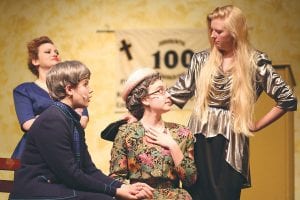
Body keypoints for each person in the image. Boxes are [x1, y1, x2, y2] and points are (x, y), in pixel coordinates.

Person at [167, 5, 298, 200]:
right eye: (211, 29)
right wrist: (139, 112)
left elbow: (287, 99)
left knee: (225, 194)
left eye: (219, 31)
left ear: (235, 32)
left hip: (232, 140)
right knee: (196, 193)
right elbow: (176, 91)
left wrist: (256, 125)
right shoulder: (201, 60)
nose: (212, 35)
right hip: (198, 137)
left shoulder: (255, 62)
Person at [9, 60, 154, 200]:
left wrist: (123, 187)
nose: (90, 90)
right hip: (36, 191)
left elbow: (89, 170)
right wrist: (115, 192)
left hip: (55, 186)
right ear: (69, 89)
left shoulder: (71, 120)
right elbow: (71, 175)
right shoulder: (52, 120)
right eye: (85, 84)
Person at [109, 68, 197, 200]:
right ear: (145, 99)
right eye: (160, 91)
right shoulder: (126, 133)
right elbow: (116, 178)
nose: (168, 95)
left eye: (166, 90)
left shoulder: (182, 133)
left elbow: (190, 180)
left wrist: (172, 146)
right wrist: (134, 191)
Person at [11, 36, 89, 159]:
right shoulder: (23, 90)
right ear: (35, 60)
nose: (55, 54)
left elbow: (82, 122)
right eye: (48, 52)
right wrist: (68, 119)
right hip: (34, 155)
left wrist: (40, 119)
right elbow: (28, 124)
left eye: (56, 52)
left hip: (65, 152)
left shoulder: (71, 88)